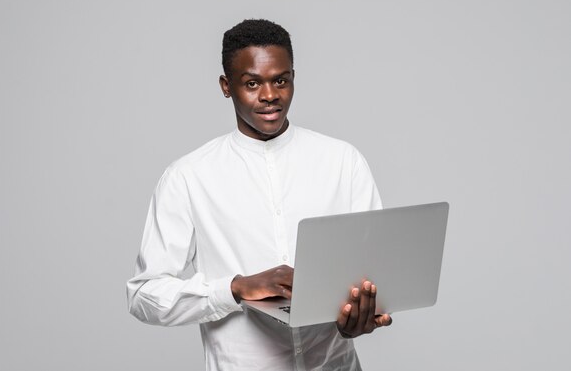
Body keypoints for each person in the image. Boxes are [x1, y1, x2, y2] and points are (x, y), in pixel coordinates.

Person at [127, 19, 392, 370]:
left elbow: (374, 273)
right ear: (226, 86)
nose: (269, 95)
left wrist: (358, 316)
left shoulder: (344, 161)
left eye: (280, 80)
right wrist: (235, 288)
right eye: (252, 83)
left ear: (294, 77)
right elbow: (144, 295)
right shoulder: (187, 177)